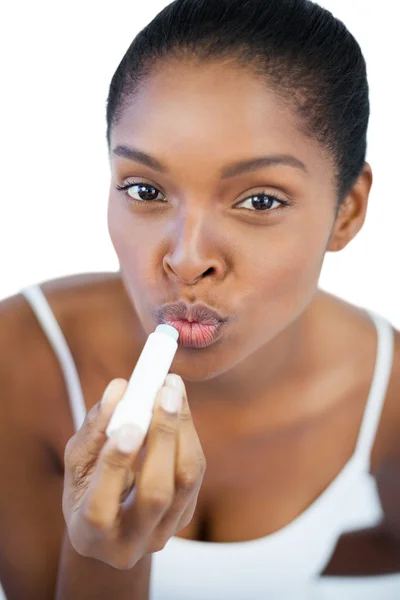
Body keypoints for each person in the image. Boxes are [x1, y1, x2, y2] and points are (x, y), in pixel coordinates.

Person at [1, 0, 400, 598]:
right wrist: (108, 557)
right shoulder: (17, 359)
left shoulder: (387, 392)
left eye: (260, 200)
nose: (187, 259)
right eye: (144, 188)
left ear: (348, 210)